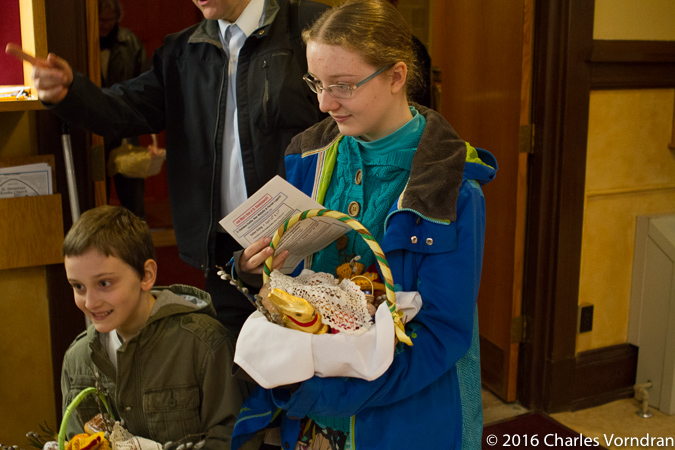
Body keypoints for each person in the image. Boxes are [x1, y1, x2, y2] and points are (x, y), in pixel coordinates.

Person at [231, 1, 497, 449]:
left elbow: (442, 334)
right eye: (316, 81)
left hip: (405, 417)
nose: (323, 102)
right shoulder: (307, 159)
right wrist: (253, 268)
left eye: (343, 86)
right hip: (312, 413)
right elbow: (294, 284)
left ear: (396, 76)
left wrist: (330, 393)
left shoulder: (452, 186)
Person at [6, 0, 329, 337]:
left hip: (305, 238)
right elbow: (123, 110)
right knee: (235, 372)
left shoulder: (307, 25)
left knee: (316, 365)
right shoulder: (182, 52)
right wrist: (69, 93)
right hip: (224, 251)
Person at [60, 205, 256, 449]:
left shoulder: (204, 344)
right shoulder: (77, 360)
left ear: (146, 275)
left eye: (104, 283)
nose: (90, 302)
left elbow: (235, 440)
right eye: (78, 286)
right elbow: (72, 440)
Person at [97, 0, 153, 219]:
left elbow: (148, 89)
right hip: (96, 131)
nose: (106, 25)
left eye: (110, 20)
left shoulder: (130, 42)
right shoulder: (84, 39)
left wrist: (152, 140)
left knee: (133, 200)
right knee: (99, 198)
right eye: (101, 20)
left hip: (126, 128)